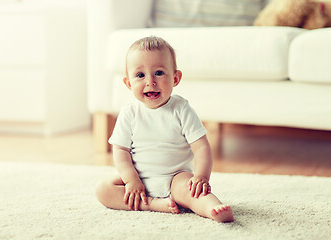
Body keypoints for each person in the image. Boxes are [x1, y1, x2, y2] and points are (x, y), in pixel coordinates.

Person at [95, 36, 234, 223]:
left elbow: (201, 147)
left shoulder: (181, 109)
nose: (150, 81)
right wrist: (131, 180)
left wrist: (201, 176)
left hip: (175, 178)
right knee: (103, 190)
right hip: (139, 179)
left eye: (159, 73)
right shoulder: (129, 113)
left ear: (175, 78)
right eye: (140, 75)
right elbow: (121, 150)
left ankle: (212, 208)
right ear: (128, 83)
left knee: (190, 190)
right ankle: (151, 204)